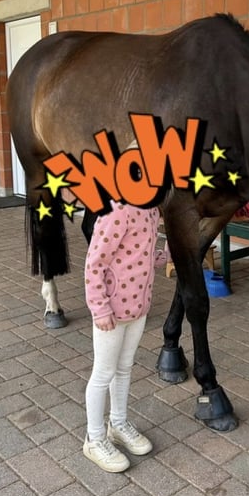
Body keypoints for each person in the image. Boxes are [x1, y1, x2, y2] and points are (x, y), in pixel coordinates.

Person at [82, 199, 168, 472]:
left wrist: (166, 255)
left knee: (124, 368)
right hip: (112, 312)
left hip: (138, 309)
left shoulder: (152, 211)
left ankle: (117, 424)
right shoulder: (116, 210)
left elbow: (140, 257)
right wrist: (99, 309)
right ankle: (94, 439)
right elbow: (94, 264)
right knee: (103, 374)